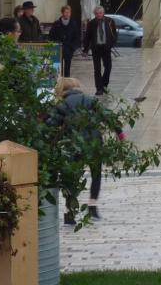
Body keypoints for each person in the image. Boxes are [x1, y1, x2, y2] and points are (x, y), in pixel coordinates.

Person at [52, 77, 104, 225]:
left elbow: (52, 123)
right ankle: (92, 205)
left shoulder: (62, 105)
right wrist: (120, 133)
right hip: (94, 142)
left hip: (74, 144)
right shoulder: (90, 99)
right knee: (96, 174)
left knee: (71, 178)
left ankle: (70, 211)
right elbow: (106, 115)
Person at [83, 6, 117, 96]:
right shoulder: (91, 23)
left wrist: (112, 43)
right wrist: (85, 49)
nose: (99, 15)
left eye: (100, 13)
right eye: (97, 13)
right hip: (96, 48)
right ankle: (99, 88)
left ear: (103, 13)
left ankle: (104, 85)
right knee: (97, 69)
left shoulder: (110, 21)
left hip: (106, 48)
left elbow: (114, 33)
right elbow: (87, 37)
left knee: (108, 67)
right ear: (95, 14)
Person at [48, 5, 80, 77]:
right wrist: (55, 45)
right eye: (65, 12)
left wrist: (73, 47)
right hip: (58, 49)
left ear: (70, 13)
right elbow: (51, 36)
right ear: (62, 13)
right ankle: (59, 81)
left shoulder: (73, 24)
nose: (67, 14)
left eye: (69, 12)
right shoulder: (56, 24)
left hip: (69, 49)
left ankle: (66, 81)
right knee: (58, 67)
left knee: (67, 68)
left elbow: (77, 37)